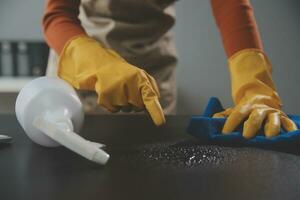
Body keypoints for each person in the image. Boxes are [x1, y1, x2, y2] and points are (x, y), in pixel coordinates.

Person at [43, 0, 297, 138]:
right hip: (82, 67)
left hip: (153, 64)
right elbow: (57, 16)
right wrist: (98, 66)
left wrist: (254, 86)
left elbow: (231, 5)